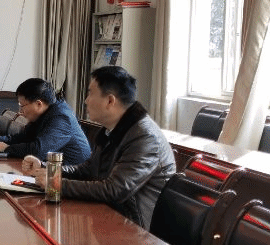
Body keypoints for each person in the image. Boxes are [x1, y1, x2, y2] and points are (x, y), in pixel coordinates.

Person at [22, 66, 176, 229]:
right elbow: (87, 170)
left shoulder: (145, 137)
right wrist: (46, 168)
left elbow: (115, 190)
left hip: (136, 229)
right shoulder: (111, 129)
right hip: (109, 217)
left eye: (90, 93)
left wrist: (56, 184)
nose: (86, 100)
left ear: (110, 101)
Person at [0, 78, 91, 165]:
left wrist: (6, 148)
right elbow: (24, 137)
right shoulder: (45, 113)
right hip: (48, 169)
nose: (20, 111)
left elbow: (39, 151)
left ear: (38, 104)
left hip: (70, 176)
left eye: (22, 106)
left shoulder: (62, 117)